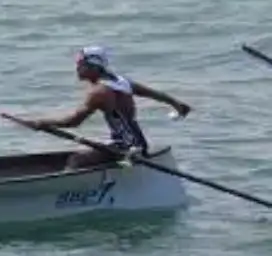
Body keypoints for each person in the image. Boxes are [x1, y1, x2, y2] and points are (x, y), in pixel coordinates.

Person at [10, 47, 192, 170]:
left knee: (76, 160)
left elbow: (73, 122)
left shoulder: (99, 92)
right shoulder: (122, 82)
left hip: (125, 148)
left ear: (93, 66)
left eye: (80, 64)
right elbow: (156, 94)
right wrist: (177, 105)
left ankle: (68, 196)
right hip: (139, 144)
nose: (77, 68)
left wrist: (40, 123)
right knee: (93, 151)